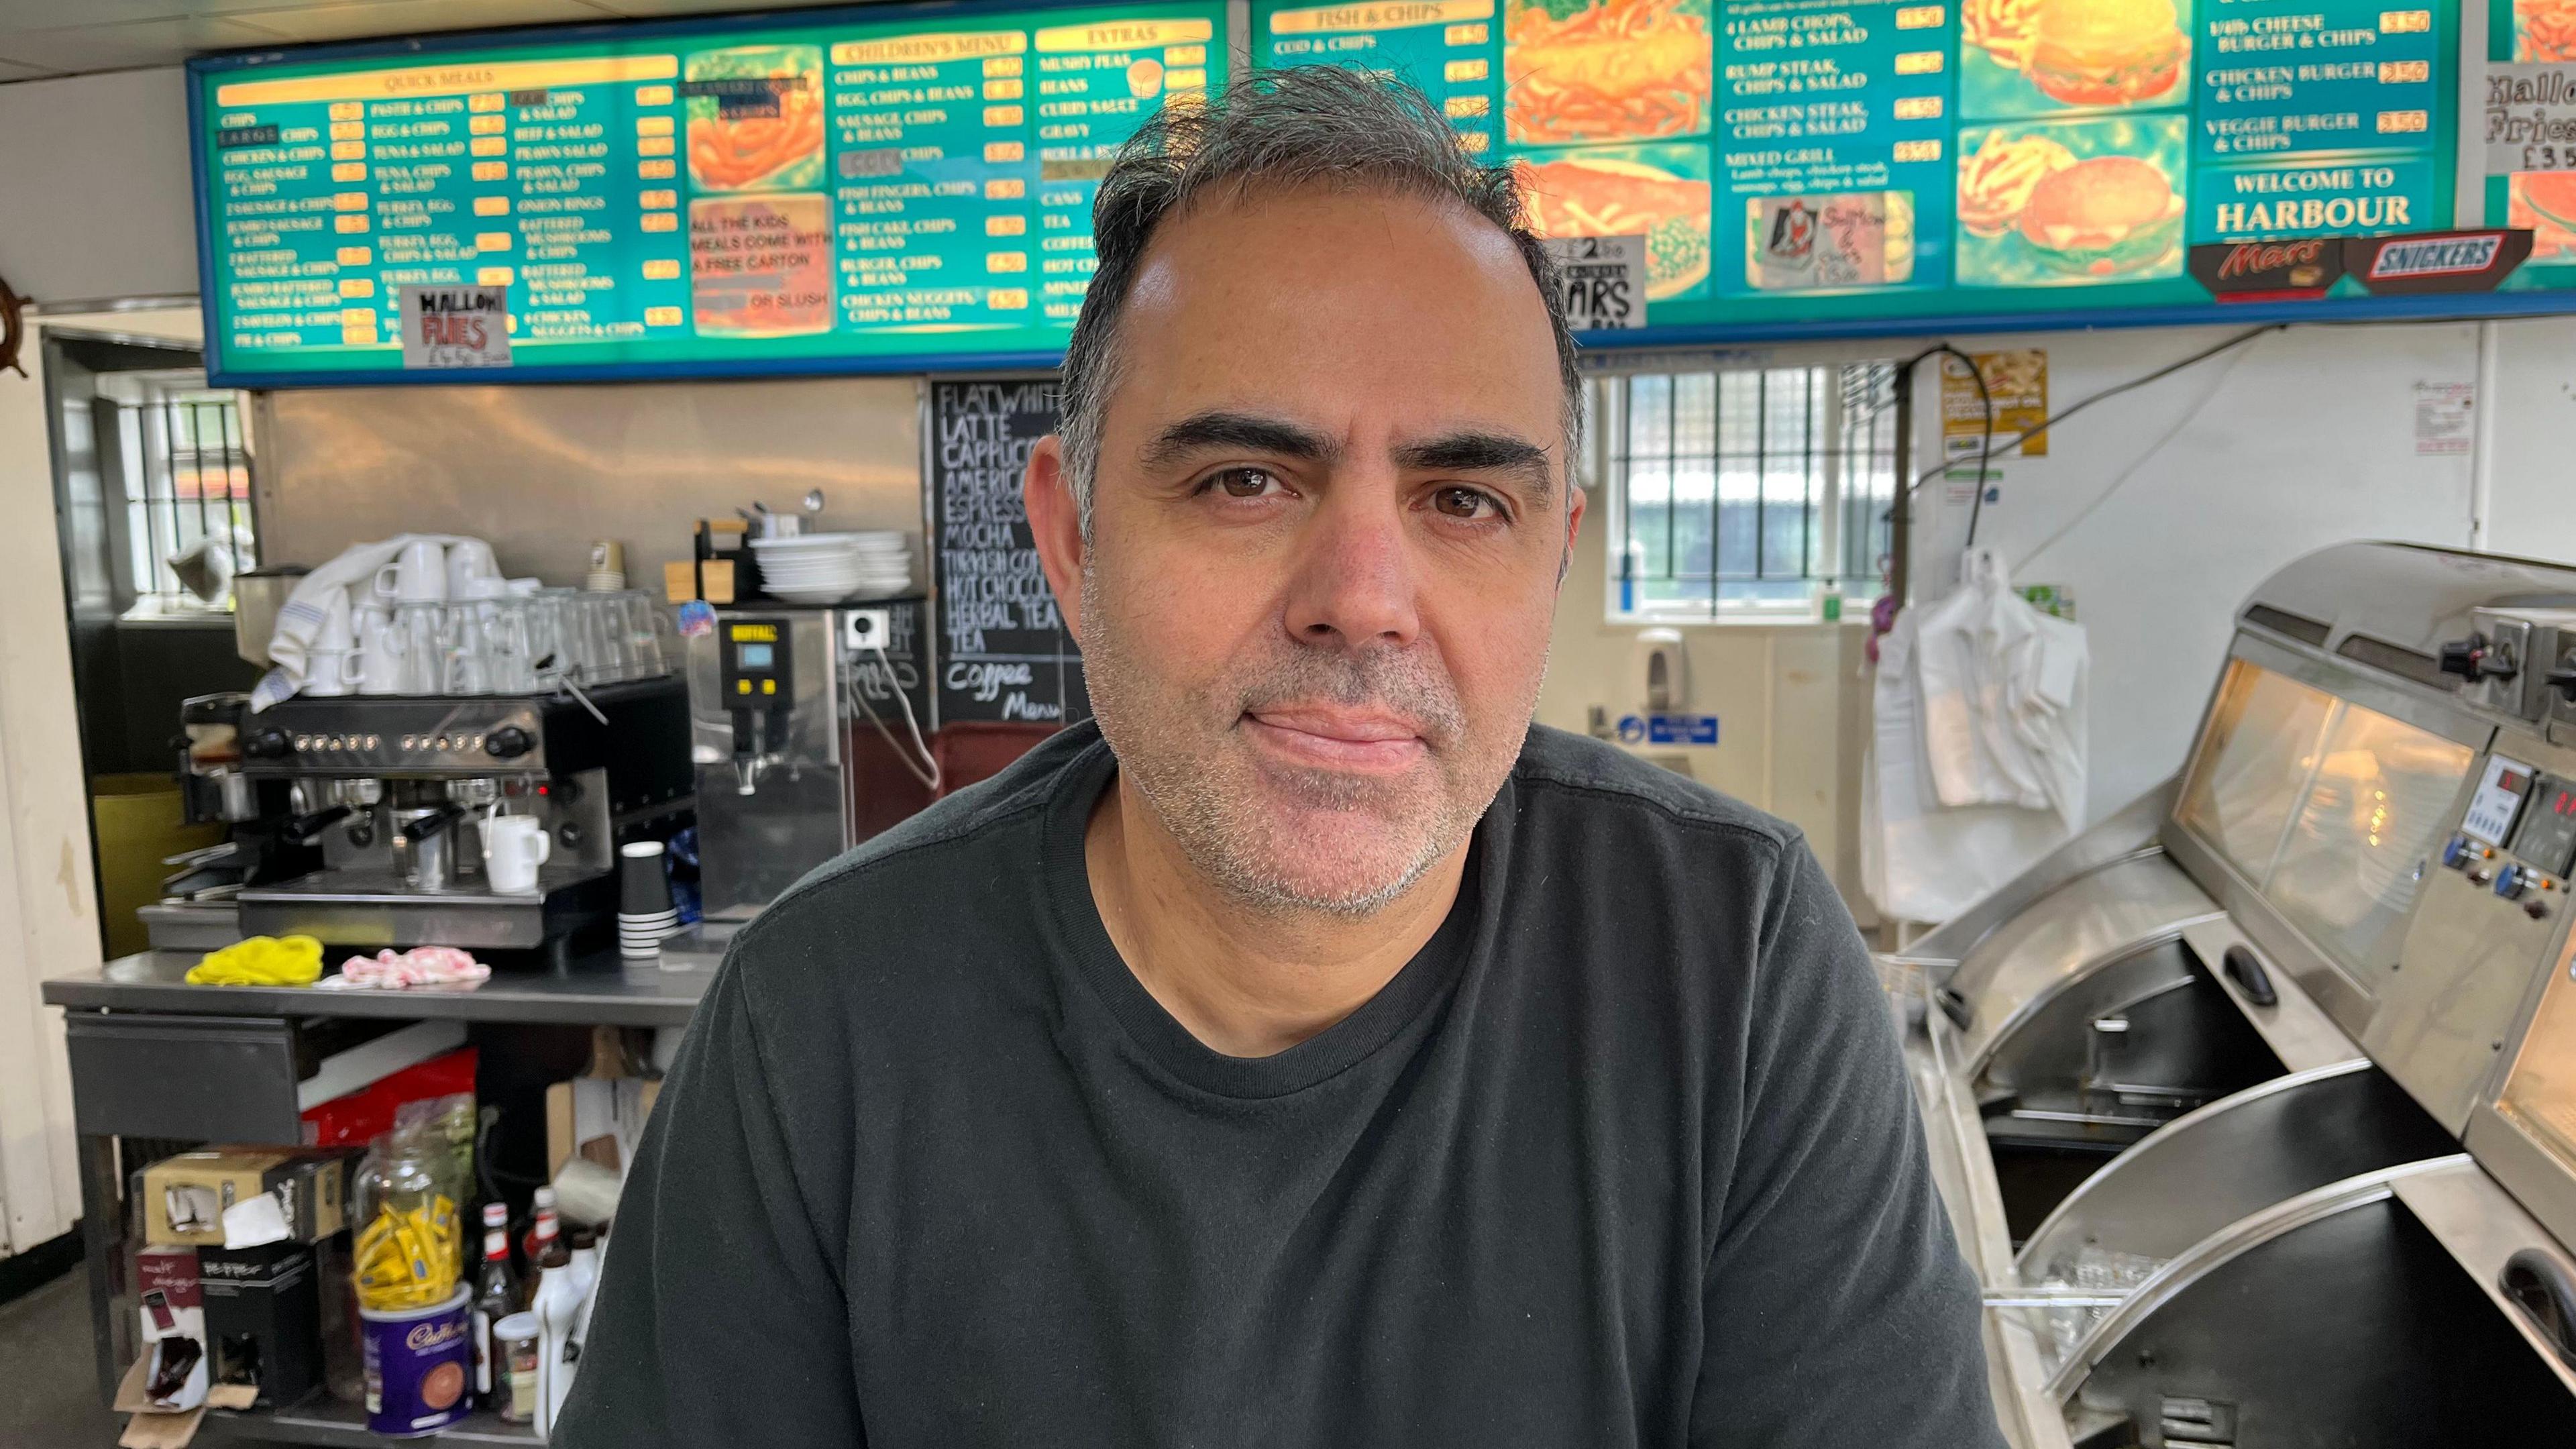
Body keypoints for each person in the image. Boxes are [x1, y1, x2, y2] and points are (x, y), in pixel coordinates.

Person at [561, 68, 2001, 1448]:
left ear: (1555, 559)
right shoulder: (819, 1026)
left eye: (1463, 498)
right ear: (1073, 543)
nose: (1362, 596)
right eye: (1245, 482)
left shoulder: (1731, 967)